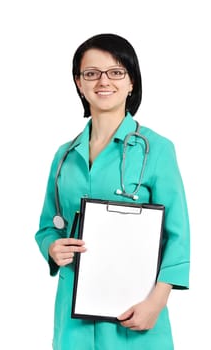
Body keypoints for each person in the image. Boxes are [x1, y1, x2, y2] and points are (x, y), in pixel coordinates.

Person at [35, 33, 190, 350]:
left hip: (134, 317)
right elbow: (48, 226)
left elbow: (178, 235)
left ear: (132, 81)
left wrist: (156, 304)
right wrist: (52, 247)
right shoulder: (64, 156)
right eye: (91, 73)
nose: (103, 81)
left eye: (116, 72)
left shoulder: (156, 150)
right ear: (79, 83)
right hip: (72, 320)